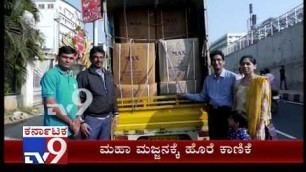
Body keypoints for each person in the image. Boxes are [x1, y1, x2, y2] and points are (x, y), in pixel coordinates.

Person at [180, 50, 238, 140]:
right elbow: (202, 96)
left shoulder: (233, 77)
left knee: (227, 140)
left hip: (227, 114)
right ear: (211, 63)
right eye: (214, 60)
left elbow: (239, 95)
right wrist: (186, 95)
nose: (216, 62)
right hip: (213, 113)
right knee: (214, 139)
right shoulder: (208, 79)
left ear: (224, 62)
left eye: (219, 60)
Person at [77, 46, 119, 140]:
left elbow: (112, 94)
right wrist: (82, 121)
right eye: (95, 57)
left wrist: (116, 112)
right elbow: (79, 99)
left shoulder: (108, 75)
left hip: (107, 119)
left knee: (103, 148)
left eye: (101, 57)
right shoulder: (84, 76)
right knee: (90, 150)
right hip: (91, 120)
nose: (98, 60)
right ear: (91, 58)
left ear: (104, 58)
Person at [40, 46, 80, 139]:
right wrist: (70, 121)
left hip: (72, 129)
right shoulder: (50, 75)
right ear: (58, 57)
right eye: (64, 57)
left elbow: (77, 100)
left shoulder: (72, 77)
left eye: (71, 58)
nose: (67, 60)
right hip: (56, 131)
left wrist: (78, 119)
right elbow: (50, 104)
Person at [234, 55, 272, 140]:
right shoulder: (237, 83)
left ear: (254, 66)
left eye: (248, 64)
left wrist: (261, 127)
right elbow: (235, 104)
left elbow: (265, 106)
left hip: (256, 123)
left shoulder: (261, 81)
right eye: (243, 64)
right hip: (240, 123)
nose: (245, 66)